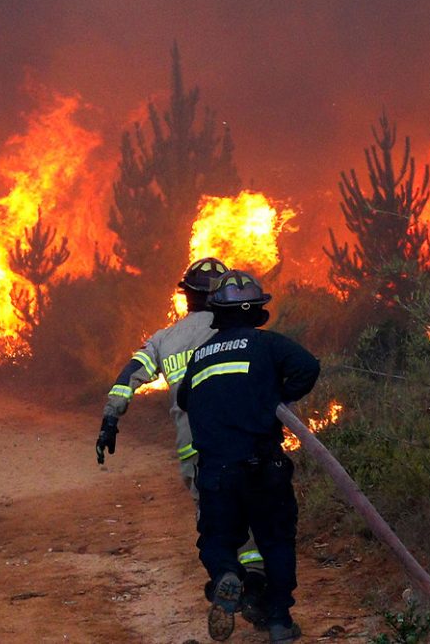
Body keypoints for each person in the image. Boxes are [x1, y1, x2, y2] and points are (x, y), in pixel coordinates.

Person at [95, 257, 268, 626]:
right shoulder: (235, 330)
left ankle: (227, 576)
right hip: (244, 440)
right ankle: (256, 589)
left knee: (214, 518)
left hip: (196, 450)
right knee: (254, 514)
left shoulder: (165, 339)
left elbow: (130, 375)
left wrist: (111, 417)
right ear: (223, 294)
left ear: (186, 296)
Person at [176, 270, 320, 643]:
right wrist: (274, 399)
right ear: (257, 311)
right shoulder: (267, 344)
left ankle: (227, 574)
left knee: (217, 539)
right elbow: (308, 368)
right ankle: (278, 622)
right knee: (274, 540)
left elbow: (183, 400)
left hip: (216, 473)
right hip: (262, 467)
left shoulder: (200, 356)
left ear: (217, 314)